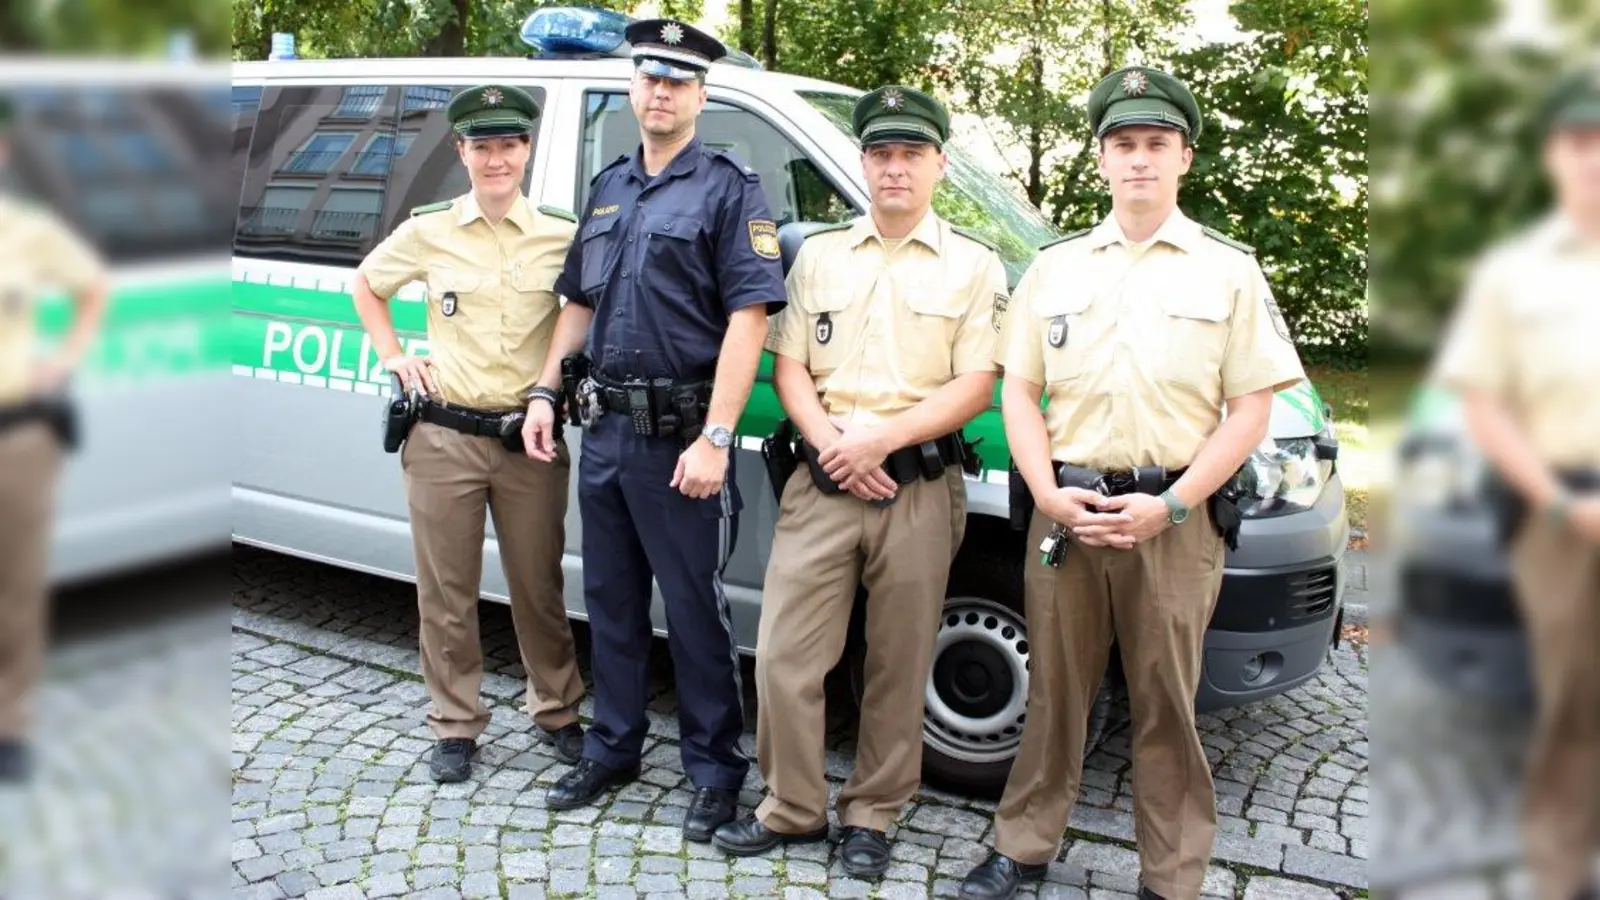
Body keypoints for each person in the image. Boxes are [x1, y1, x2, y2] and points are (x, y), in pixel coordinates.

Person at [958, 66, 1305, 900]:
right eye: (1124, 144)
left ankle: (1172, 876)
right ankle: (1022, 845)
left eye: (1156, 143)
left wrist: (1174, 504)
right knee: (1054, 696)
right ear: (1103, 158)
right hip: (1067, 513)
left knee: (1166, 705)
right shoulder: (1055, 268)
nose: (1139, 158)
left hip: (1174, 520)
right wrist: (1045, 492)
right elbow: (1019, 392)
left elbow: (1250, 410)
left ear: (1185, 157)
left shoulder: (1228, 271)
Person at [710, 85, 1006, 877]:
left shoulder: (974, 266)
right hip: (823, 483)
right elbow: (790, 364)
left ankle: (873, 814)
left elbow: (976, 384)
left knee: (897, 664)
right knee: (783, 657)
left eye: (911, 154)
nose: (895, 168)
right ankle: (792, 809)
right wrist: (833, 443)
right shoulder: (820, 255)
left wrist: (882, 439)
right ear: (864, 164)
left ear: (939, 165)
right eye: (881, 154)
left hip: (918, 489)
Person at [518, 19, 785, 842]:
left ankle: (714, 770)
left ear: (700, 96)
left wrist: (716, 437)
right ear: (632, 90)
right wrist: (544, 391)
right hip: (604, 430)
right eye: (649, 78)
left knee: (695, 611)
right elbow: (578, 303)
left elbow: (750, 318)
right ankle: (614, 746)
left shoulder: (729, 188)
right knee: (611, 601)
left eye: (677, 81)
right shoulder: (609, 186)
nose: (660, 92)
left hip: (681, 439)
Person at [351, 83, 586, 784]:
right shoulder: (431, 229)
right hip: (443, 435)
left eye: (508, 144)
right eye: (482, 146)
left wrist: (552, 387)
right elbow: (366, 285)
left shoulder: (560, 232)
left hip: (527, 438)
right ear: (462, 152)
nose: (496, 159)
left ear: (527, 150)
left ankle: (557, 710)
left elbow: (581, 311)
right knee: (445, 592)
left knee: (539, 586)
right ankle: (454, 722)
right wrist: (394, 356)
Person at [1432, 63, 1600, 900]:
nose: (1594, 156)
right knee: (1569, 709)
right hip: (1560, 514)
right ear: (1554, 155)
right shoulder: (1514, 274)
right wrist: (1564, 502)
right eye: (1579, 141)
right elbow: (1484, 405)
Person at [0, 94, 111, 782]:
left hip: (16, 435)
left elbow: (92, 287)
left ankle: (9, 723)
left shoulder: (28, 231)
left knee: (15, 586)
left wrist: (63, 361)